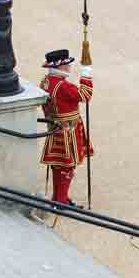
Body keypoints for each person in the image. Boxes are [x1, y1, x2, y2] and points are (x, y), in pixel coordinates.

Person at [39, 49, 95, 205]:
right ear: (61, 67)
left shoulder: (46, 81)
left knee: (58, 164)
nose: (69, 68)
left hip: (55, 127)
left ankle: (59, 197)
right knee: (67, 166)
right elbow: (85, 95)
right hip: (68, 130)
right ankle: (61, 200)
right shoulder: (63, 86)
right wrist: (86, 75)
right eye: (67, 65)